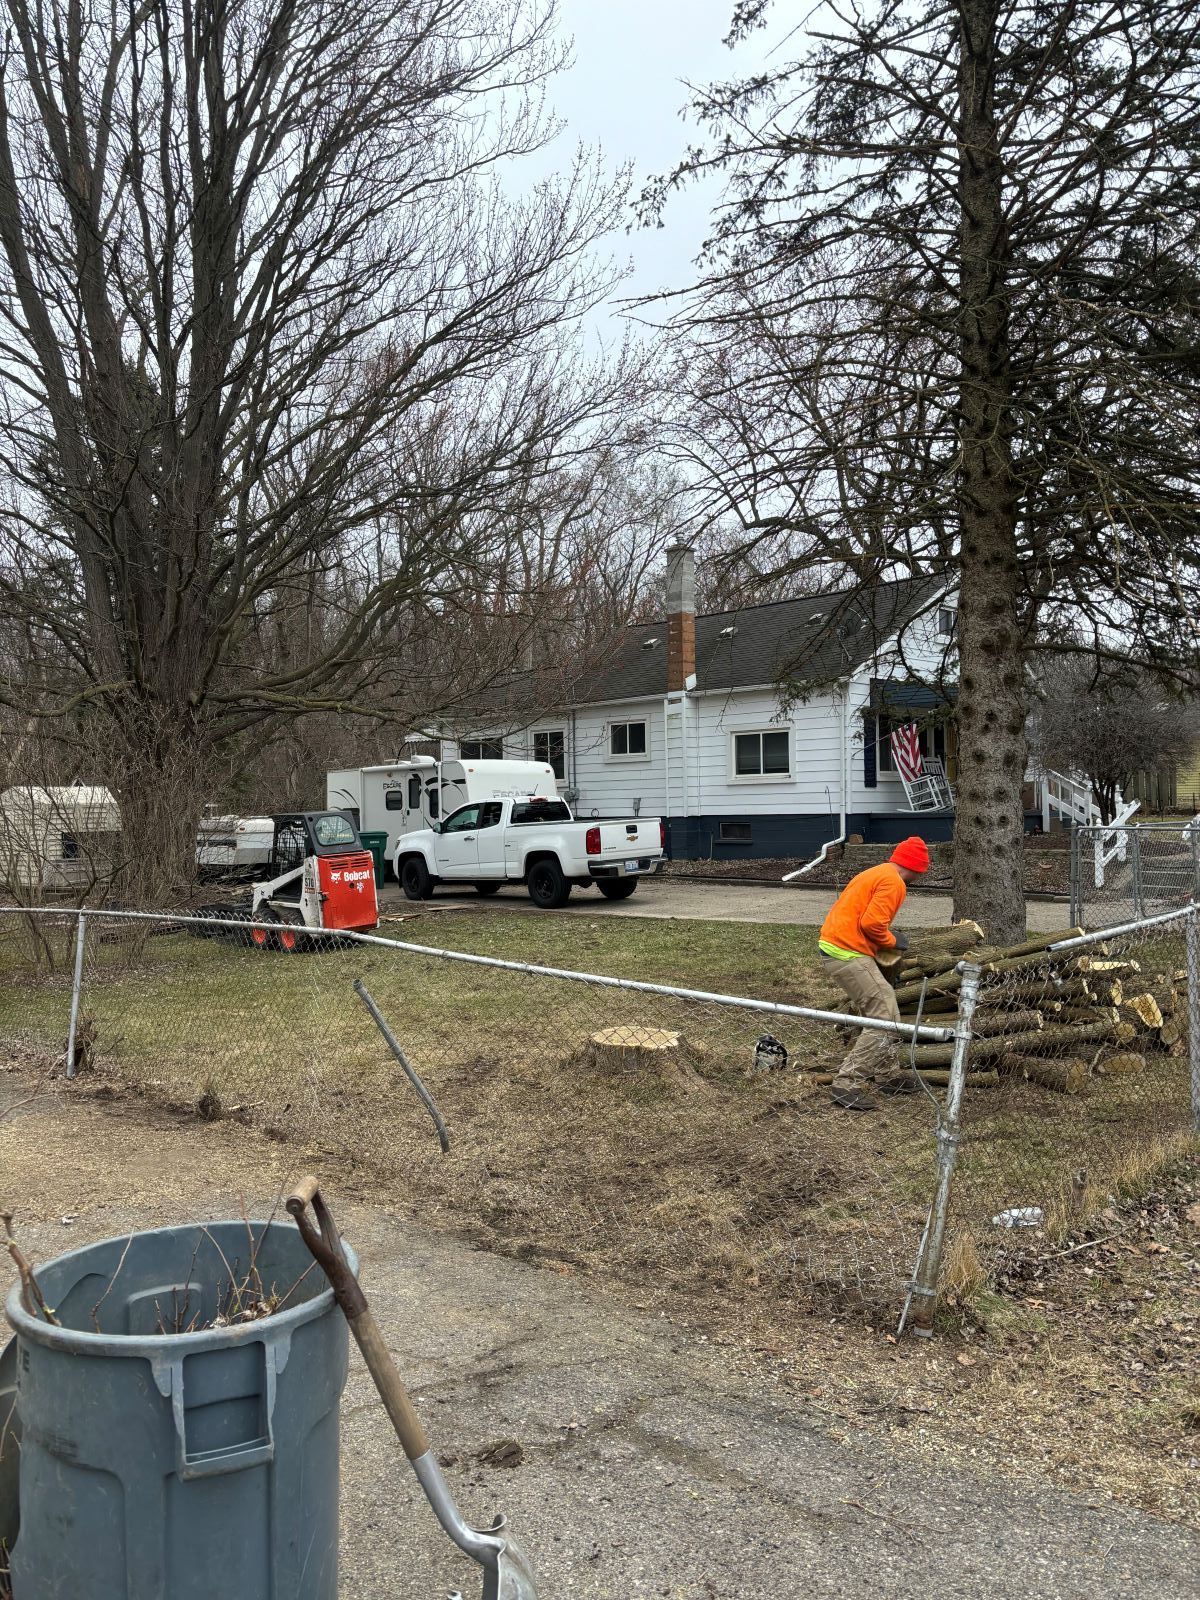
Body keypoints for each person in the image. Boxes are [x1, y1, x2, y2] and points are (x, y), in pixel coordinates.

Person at [818, 837, 931, 1110]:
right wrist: (893, 941)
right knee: (886, 1016)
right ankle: (846, 1083)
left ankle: (887, 1075)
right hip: (847, 953)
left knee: (881, 1013)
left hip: (840, 948)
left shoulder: (876, 872)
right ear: (916, 868)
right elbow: (872, 924)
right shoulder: (894, 882)